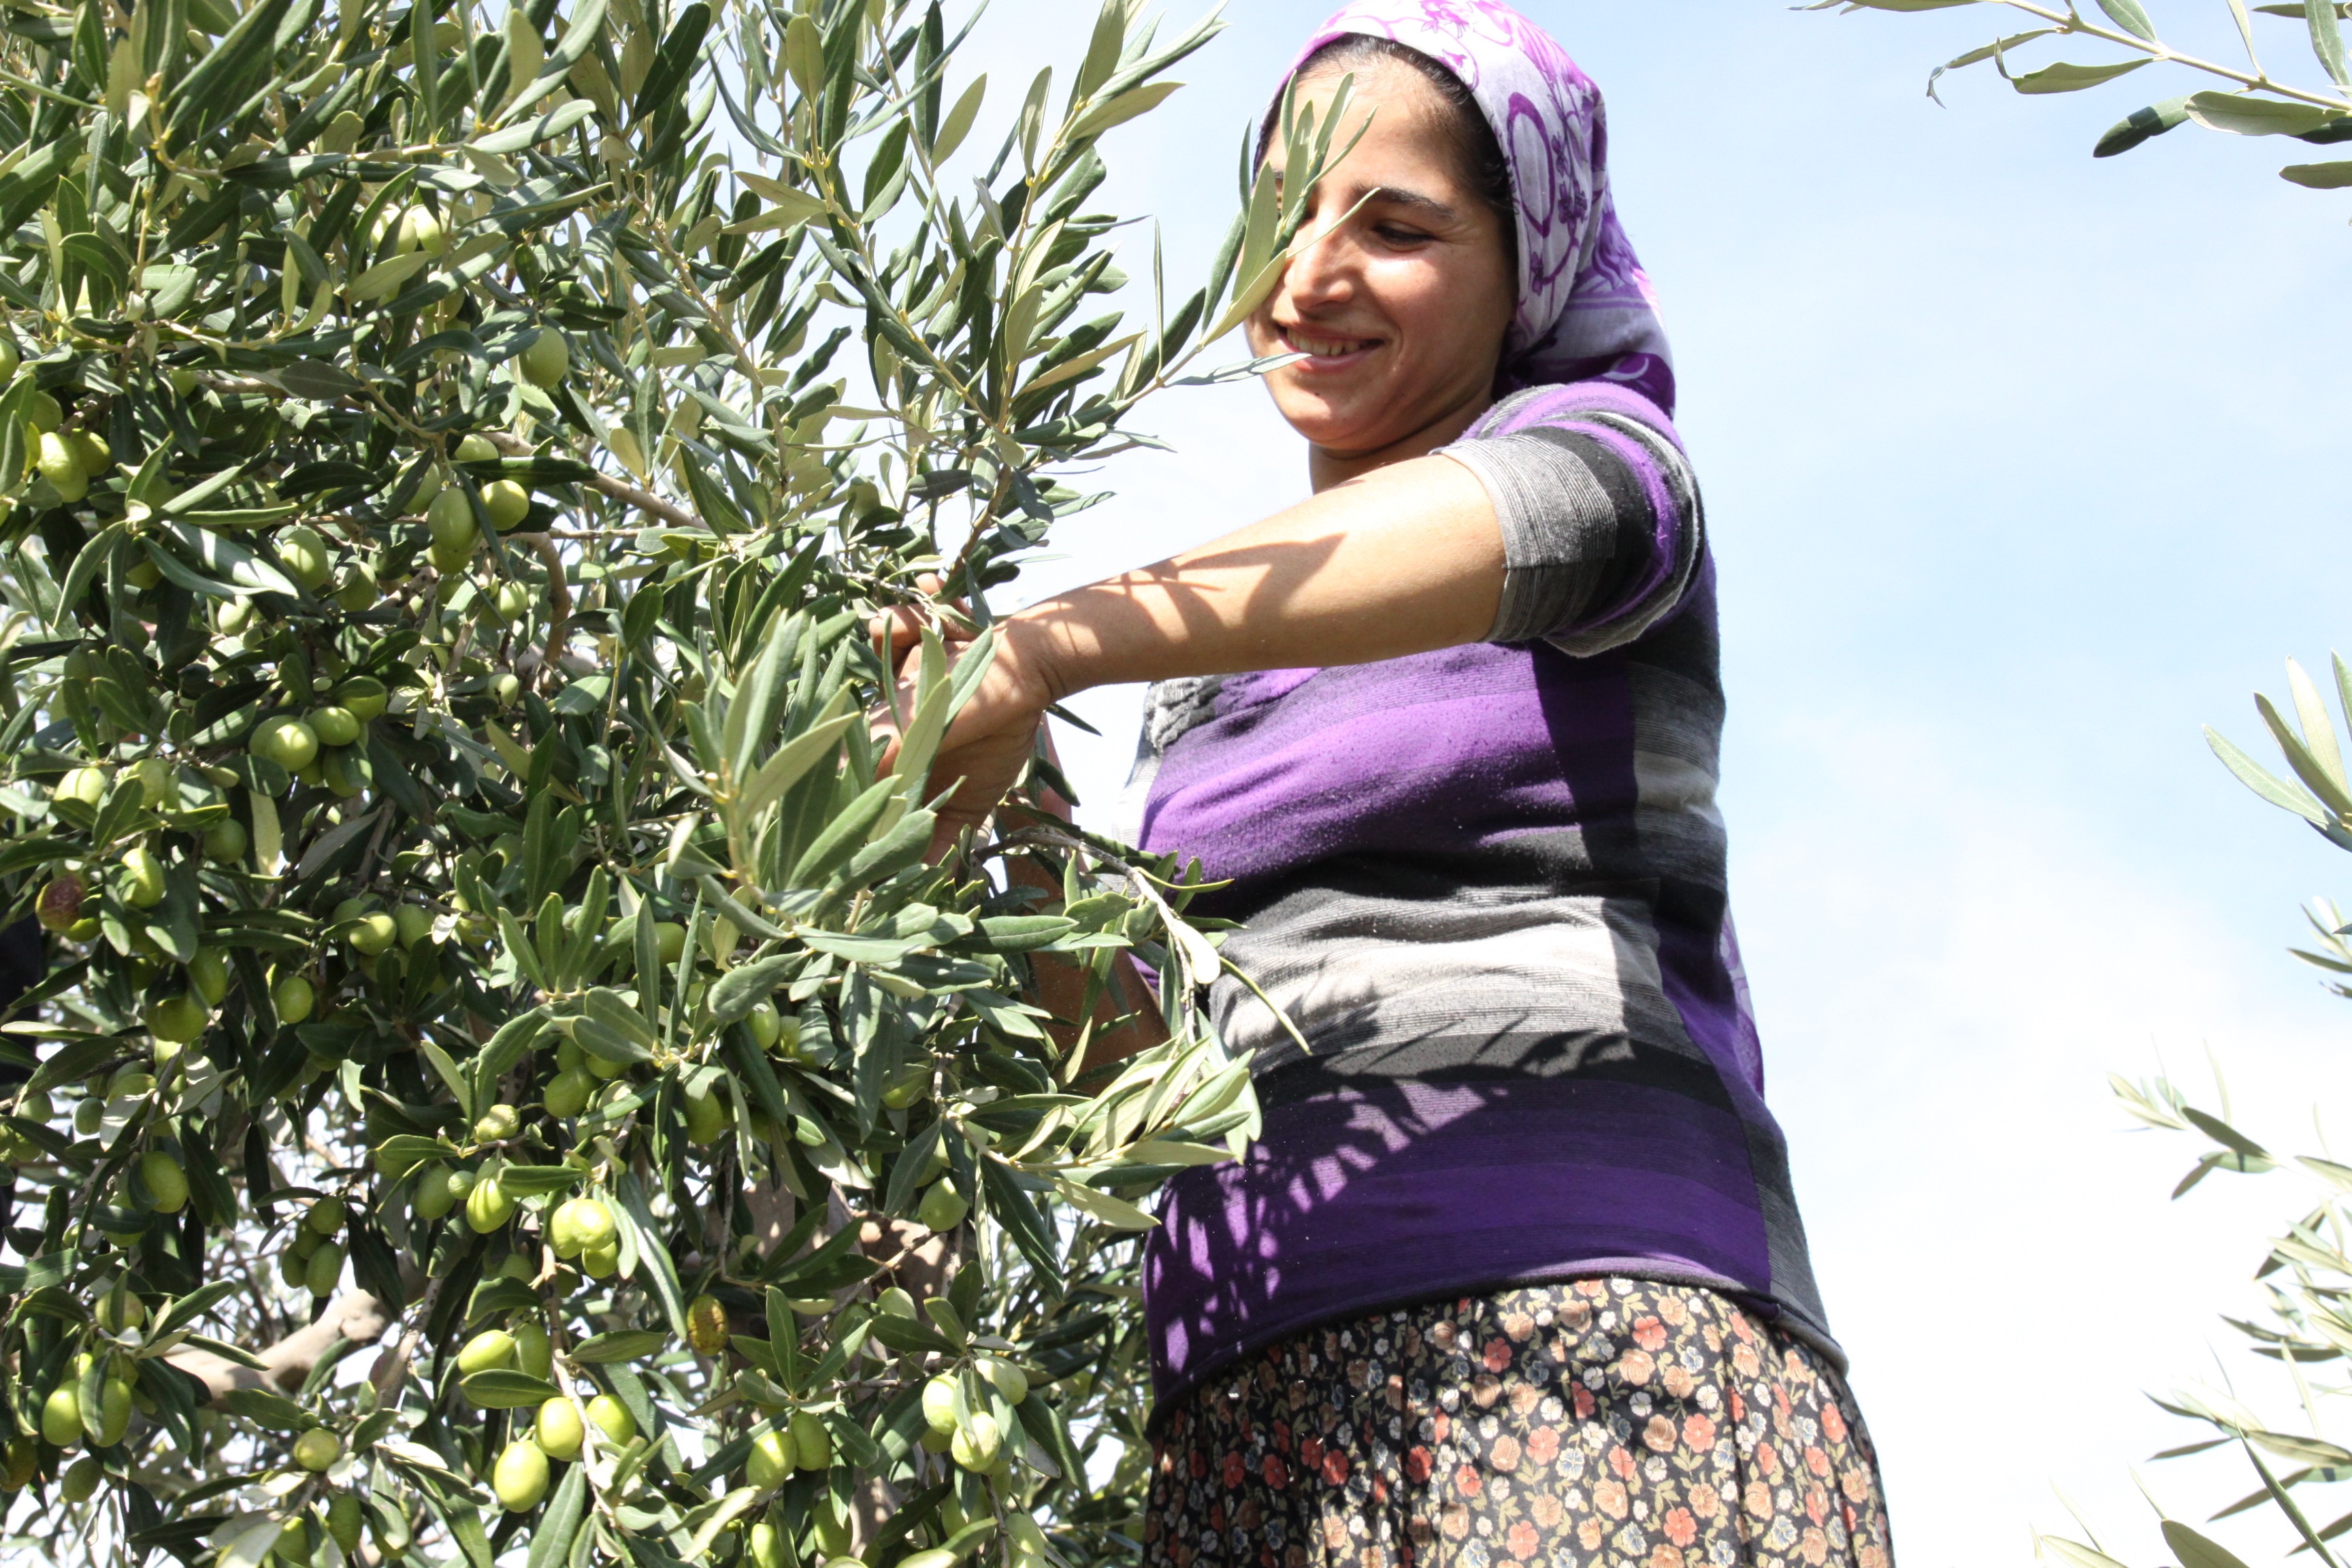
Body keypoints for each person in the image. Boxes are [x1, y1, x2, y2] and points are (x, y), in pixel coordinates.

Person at [894, 3, 1894, 1563]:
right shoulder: (1213, 692)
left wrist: (1033, 650)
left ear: (1526, 264)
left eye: (1397, 223)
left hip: (1589, 1367)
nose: (1311, 273)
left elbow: (1518, 521)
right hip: (1251, 1427)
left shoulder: (1617, 472)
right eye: (1282, 219)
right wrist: (1013, 803)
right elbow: (1150, 1099)